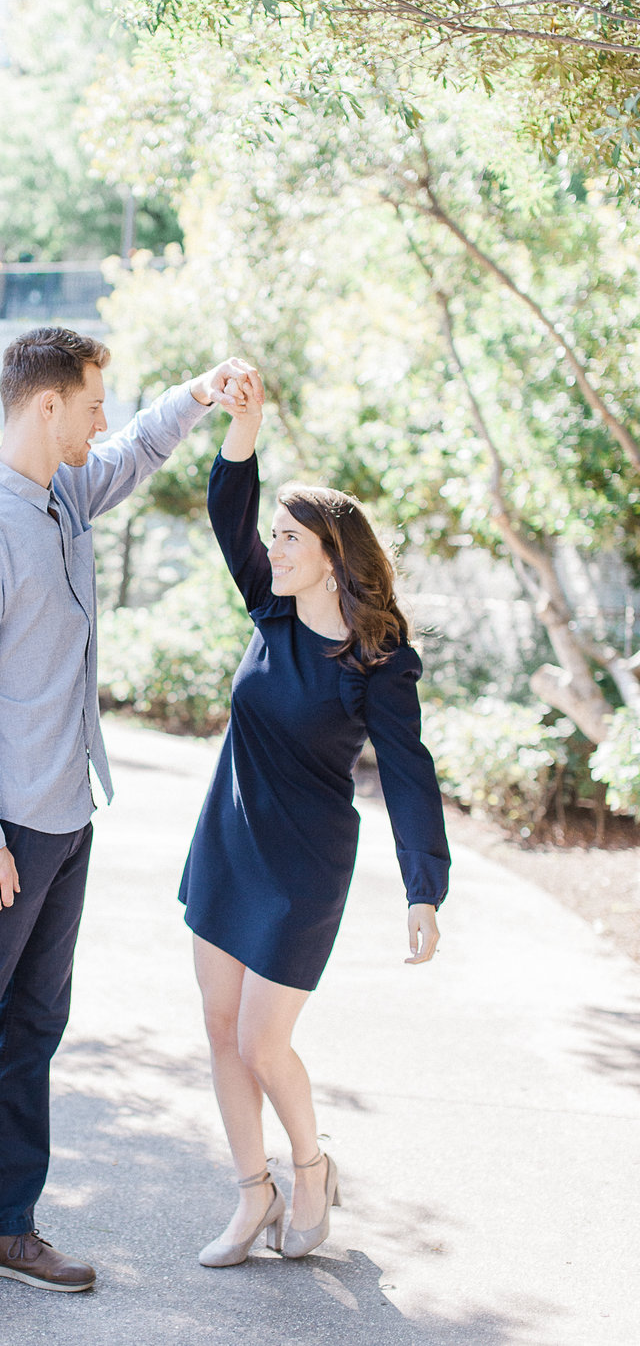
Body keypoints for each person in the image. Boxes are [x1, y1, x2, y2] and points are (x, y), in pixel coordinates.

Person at [0, 326, 262, 1330]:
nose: (104, 421)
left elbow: (138, 452)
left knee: (30, 1033)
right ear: (46, 405)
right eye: (95, 403)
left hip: (65, 819)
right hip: (2, 838)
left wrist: (196, 393)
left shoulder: (64, 496)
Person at [178, 375, 449, 1268]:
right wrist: (243, 430)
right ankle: (251, 1196)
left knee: (263, 1038)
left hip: (305, 862)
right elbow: (229, 513)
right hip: (230, 836)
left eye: (288, 538)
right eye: (276, 537)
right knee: (221, 1029)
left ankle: (310, 1168)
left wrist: (424, 888)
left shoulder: (379, 660)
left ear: (331, 554)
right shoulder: (271, 609)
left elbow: (408, 774)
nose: (272, 548)